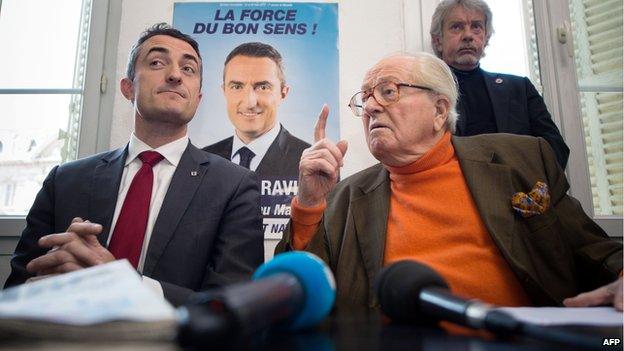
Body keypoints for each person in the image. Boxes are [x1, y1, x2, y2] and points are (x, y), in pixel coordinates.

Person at [276, 53, 622, 311]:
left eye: (388, 91)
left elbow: (592, 250)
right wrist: (309, 203)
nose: (371, 107)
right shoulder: (345, 198)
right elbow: (302, 291)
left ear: (440, 109)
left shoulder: (522, 159)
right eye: (364, 98)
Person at [4, 23, 264, 306]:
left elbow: (232, 305)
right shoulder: (65, 180)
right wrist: (54, 280)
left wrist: (120, 282)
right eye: (156, 62)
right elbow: (19, 288)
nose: (176, 75)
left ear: (198, 99)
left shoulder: (235, 186)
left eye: (188, 69)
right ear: (128, 88)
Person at [430, 0, 570, 169]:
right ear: (438, 40)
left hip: (519, 190)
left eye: (476, 26)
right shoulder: (426, 95)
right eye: (457, 27)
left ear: (486, 38)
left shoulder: (520, 89)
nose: (468, 35)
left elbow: (556, 148)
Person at [204, 42, 310, 177]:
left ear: (283, 93)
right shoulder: (202, 161)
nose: (250, 102)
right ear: (224, 91)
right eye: (237, 87)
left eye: (263, 87)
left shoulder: (310, 164)